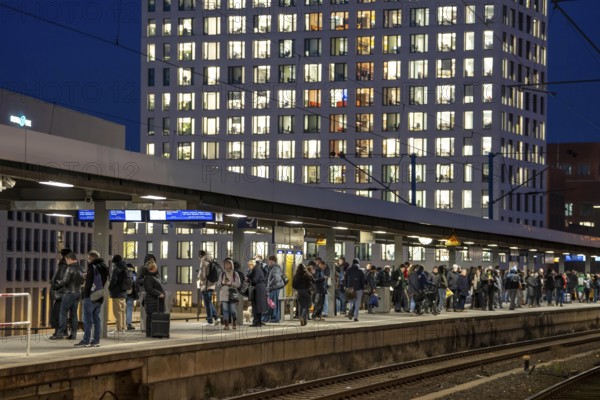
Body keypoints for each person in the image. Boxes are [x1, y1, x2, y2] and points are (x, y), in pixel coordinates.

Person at [74, 251, 109, 348]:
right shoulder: (105, 267)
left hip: (91, 297)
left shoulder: (92, 267)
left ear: (92, 258)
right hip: (100, 296)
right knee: (97, 319)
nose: (88, 260)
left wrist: (85, 294)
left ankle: (86, 341)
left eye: (88, 258)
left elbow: (89, 283)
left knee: (87, 320)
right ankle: (96, 340)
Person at [50, 252, 84, 340]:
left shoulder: (70, 268)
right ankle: (73, 334)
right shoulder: (81, 268)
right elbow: (82, 281)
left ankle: (60, 333)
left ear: (70, 259)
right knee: (74, 314)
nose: (66, 261)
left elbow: (65, 281)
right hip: (78, 293)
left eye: (66, 260)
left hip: (69, 293)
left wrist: (56, 283)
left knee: (62, 313)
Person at [49, 248, 71, 337]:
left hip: (61, 293)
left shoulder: (63, 265)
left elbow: (62, 280)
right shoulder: (69, 265)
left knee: (57, 313)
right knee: (62, 313)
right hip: (66, 293)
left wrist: (54, 285)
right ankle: (64, 331)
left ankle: (59, 332)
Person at [143, 261, 166, 337]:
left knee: (155, 317)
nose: (157, 267)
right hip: (152, 301)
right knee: (151, 317)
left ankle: (156, 332)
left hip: (157, 301)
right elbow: (149, 289)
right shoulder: (148, 278)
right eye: (155, 266)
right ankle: (150, 333)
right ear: (152, 268)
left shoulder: (155, 276)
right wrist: (159, 293)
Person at [218, 258, 241, 330]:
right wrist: (222, 283)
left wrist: (231, 283)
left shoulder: (235, 274)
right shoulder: (222, 274)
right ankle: (226, 325)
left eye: (228, 264)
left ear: (231, 265)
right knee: (225, 310)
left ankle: (234, 321)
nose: (227, 265)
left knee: (233, 310)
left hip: (232, 295)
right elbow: (218, 284)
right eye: (225, 264)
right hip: (223, 294)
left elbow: (238, 284)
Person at [108, 254, 128, 333]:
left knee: (117, 311)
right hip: (124, 292)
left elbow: (113, 281)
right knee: (123, 311)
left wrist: (109, 287)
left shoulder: (116, 269)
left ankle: (119, 329)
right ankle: (123, 327)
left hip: (117, 293)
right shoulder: (125, 267)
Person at [197, 250, 217, 325]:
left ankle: (210, 320)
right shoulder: (212, 261)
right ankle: (215, 317)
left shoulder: (203, 262)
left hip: (205, 285)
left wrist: (198, 275)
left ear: (200, 256)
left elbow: (202, 276)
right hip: (212, 285)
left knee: (207, 303)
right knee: (209, 302)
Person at [138, 254, 156, 333]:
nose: (153, 262)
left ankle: (151, 328)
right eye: (151, 260)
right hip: (144, 292)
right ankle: (145, 328)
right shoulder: (142, 269)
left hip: (152, 292)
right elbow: (138, 281)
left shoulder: (155, 268)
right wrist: (147, 280)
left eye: (154, 260)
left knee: (151, 312)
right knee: (145, 311)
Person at [247, 259, 268, 326]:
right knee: (259, 306)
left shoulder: (256, 269)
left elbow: (255, 280)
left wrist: (249, 279)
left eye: (249, 265)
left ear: (252, 265)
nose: (249, 267)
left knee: (256, 306)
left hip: (258, 289)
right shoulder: (257, 269)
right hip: (260, 289)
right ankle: (258, 321)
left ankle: (256, 322)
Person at [264, 255, 285, 323]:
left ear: (274, 262)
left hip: (274, 288)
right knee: (272, 303)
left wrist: (269, 285)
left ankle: (275, 318)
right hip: (273, 288)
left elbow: (276, 278)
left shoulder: (275, 268)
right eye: (269, 262)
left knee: (273, 304)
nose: (269, 263)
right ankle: (274, 317)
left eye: (271, 262)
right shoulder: (272, 268)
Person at [125, 263, 137, 330]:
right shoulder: (133, 273)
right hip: (131, 293)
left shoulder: (123, 272)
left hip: (123, 293)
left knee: (122, 309)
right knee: (129, 308)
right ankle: (129, 324)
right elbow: (135, 282)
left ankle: (122, 324)